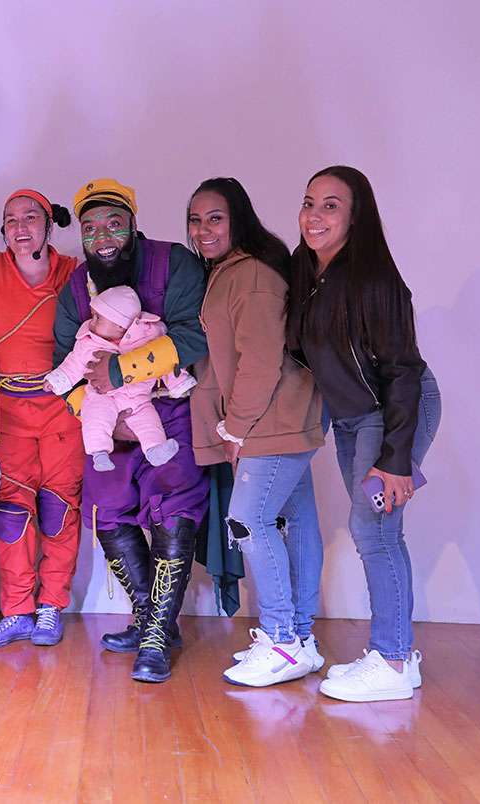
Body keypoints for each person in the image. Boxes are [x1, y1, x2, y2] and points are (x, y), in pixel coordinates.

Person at [287, 166, 441, 702]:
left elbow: (403, 370)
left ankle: (393, 660)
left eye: (331, 205)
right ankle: (394, 656)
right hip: (353, 416)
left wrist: (396, 459)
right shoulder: (307, 273)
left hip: (395, 408)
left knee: (375, 530)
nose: (315, 215)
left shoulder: (374, 279)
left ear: (356, 216)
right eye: (309, 202)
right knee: (375, 530)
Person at [52, 179, 209, 683]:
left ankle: (158, 636)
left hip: (168, 412)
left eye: (113, 224)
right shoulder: (77, 286)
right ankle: (148, 619)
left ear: (134, 224)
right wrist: (100, 410)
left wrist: (120, 372)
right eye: (90, 228)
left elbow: (194, 334)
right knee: (108, 514)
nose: (102, 238)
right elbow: (64, 363)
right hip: (106, 423)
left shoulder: (173, 262)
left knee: (173, 513)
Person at [183, 177, 326, 688]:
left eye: (215, 218)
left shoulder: (253, 275)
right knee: (296, 520)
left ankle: (282, 640)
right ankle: (299, 640)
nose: (203, 229)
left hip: (272, 419)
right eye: (195, 220)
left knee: (248, 520)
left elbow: (261, 360)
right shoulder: (233, 271)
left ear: (238, 218)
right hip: (282, 416)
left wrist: (236, 427)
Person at [0, 190, 84, 649]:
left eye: (31, 217)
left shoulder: (75, 272)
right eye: (11, 219)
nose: (21, 227)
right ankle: (16, 612)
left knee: (59, 509)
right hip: (4, 412)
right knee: (9, 513)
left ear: (49, 224)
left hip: (62, 410)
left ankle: (51, 606)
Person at [46, 284, 195, 471]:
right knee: (95, 415)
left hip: (139, 399)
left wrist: (178, 382)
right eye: (93, 316)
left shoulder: (147, 339)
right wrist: (57, 380)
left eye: (98, 318)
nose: (91, 322)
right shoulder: (89, 343)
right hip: (103, 396)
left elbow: (164, 364)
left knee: (148, 421)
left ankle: (155, 450)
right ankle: (99, 453)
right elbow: (73, 364)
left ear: (120, 325)